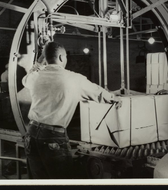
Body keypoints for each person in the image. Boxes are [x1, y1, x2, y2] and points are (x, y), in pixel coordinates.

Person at [22, 41, 121, 179]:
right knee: (62, 180)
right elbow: (100, 94)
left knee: (39, 180)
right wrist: (116, 98)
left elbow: (25, 80)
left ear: (45, 58)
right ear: (62, 57)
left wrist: (39, 62)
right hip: (53, 137)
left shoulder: (35, 77)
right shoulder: (74, 79)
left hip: (31, 134)